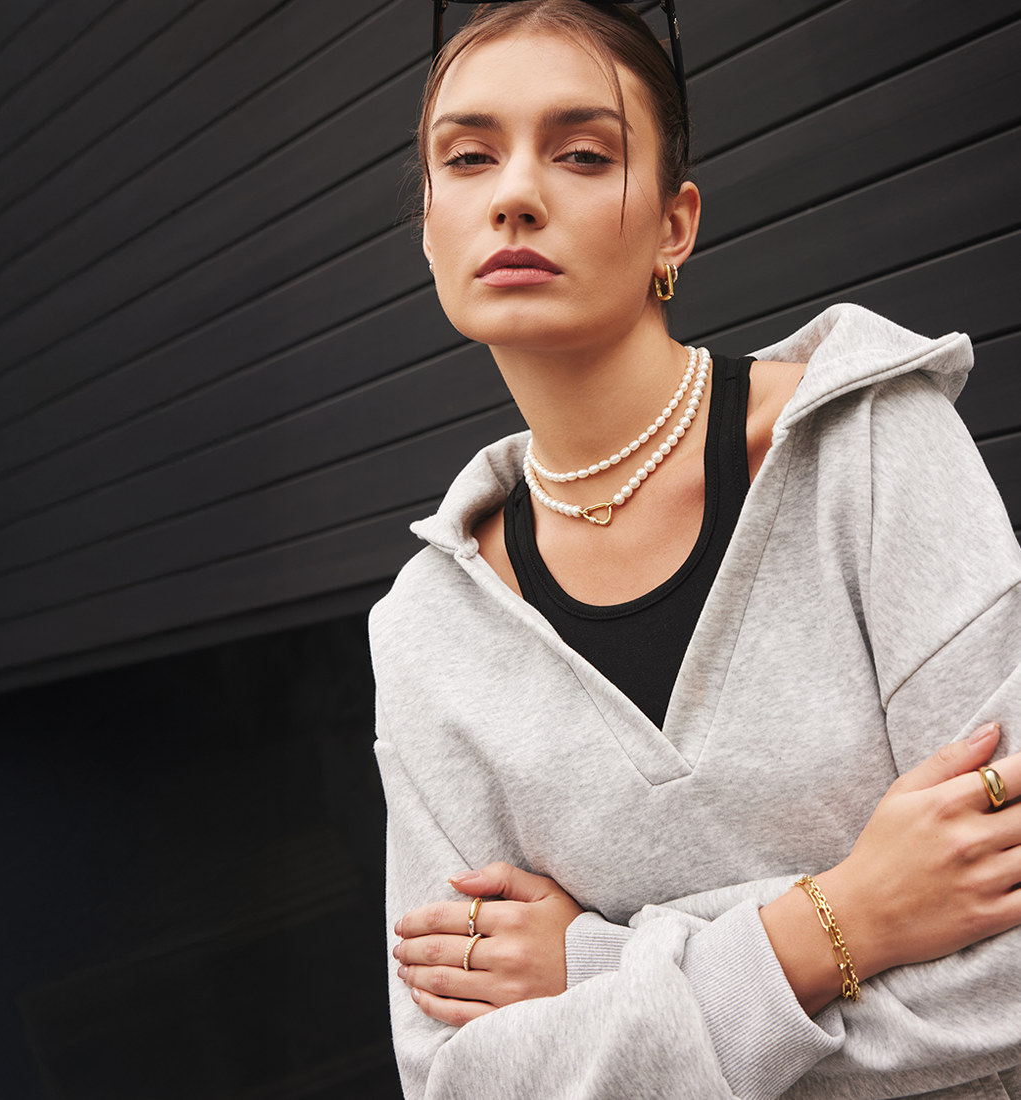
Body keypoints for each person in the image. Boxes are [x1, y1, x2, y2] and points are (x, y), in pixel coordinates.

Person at [369, 2, 1021, 1097]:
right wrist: (838, 918)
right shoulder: (429, 628)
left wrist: (592, 963)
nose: (515, 194)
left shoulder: (866, 448)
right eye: (468, 156)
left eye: (582, 154)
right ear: (432, 220)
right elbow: (465, 1078)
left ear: (674, 226)